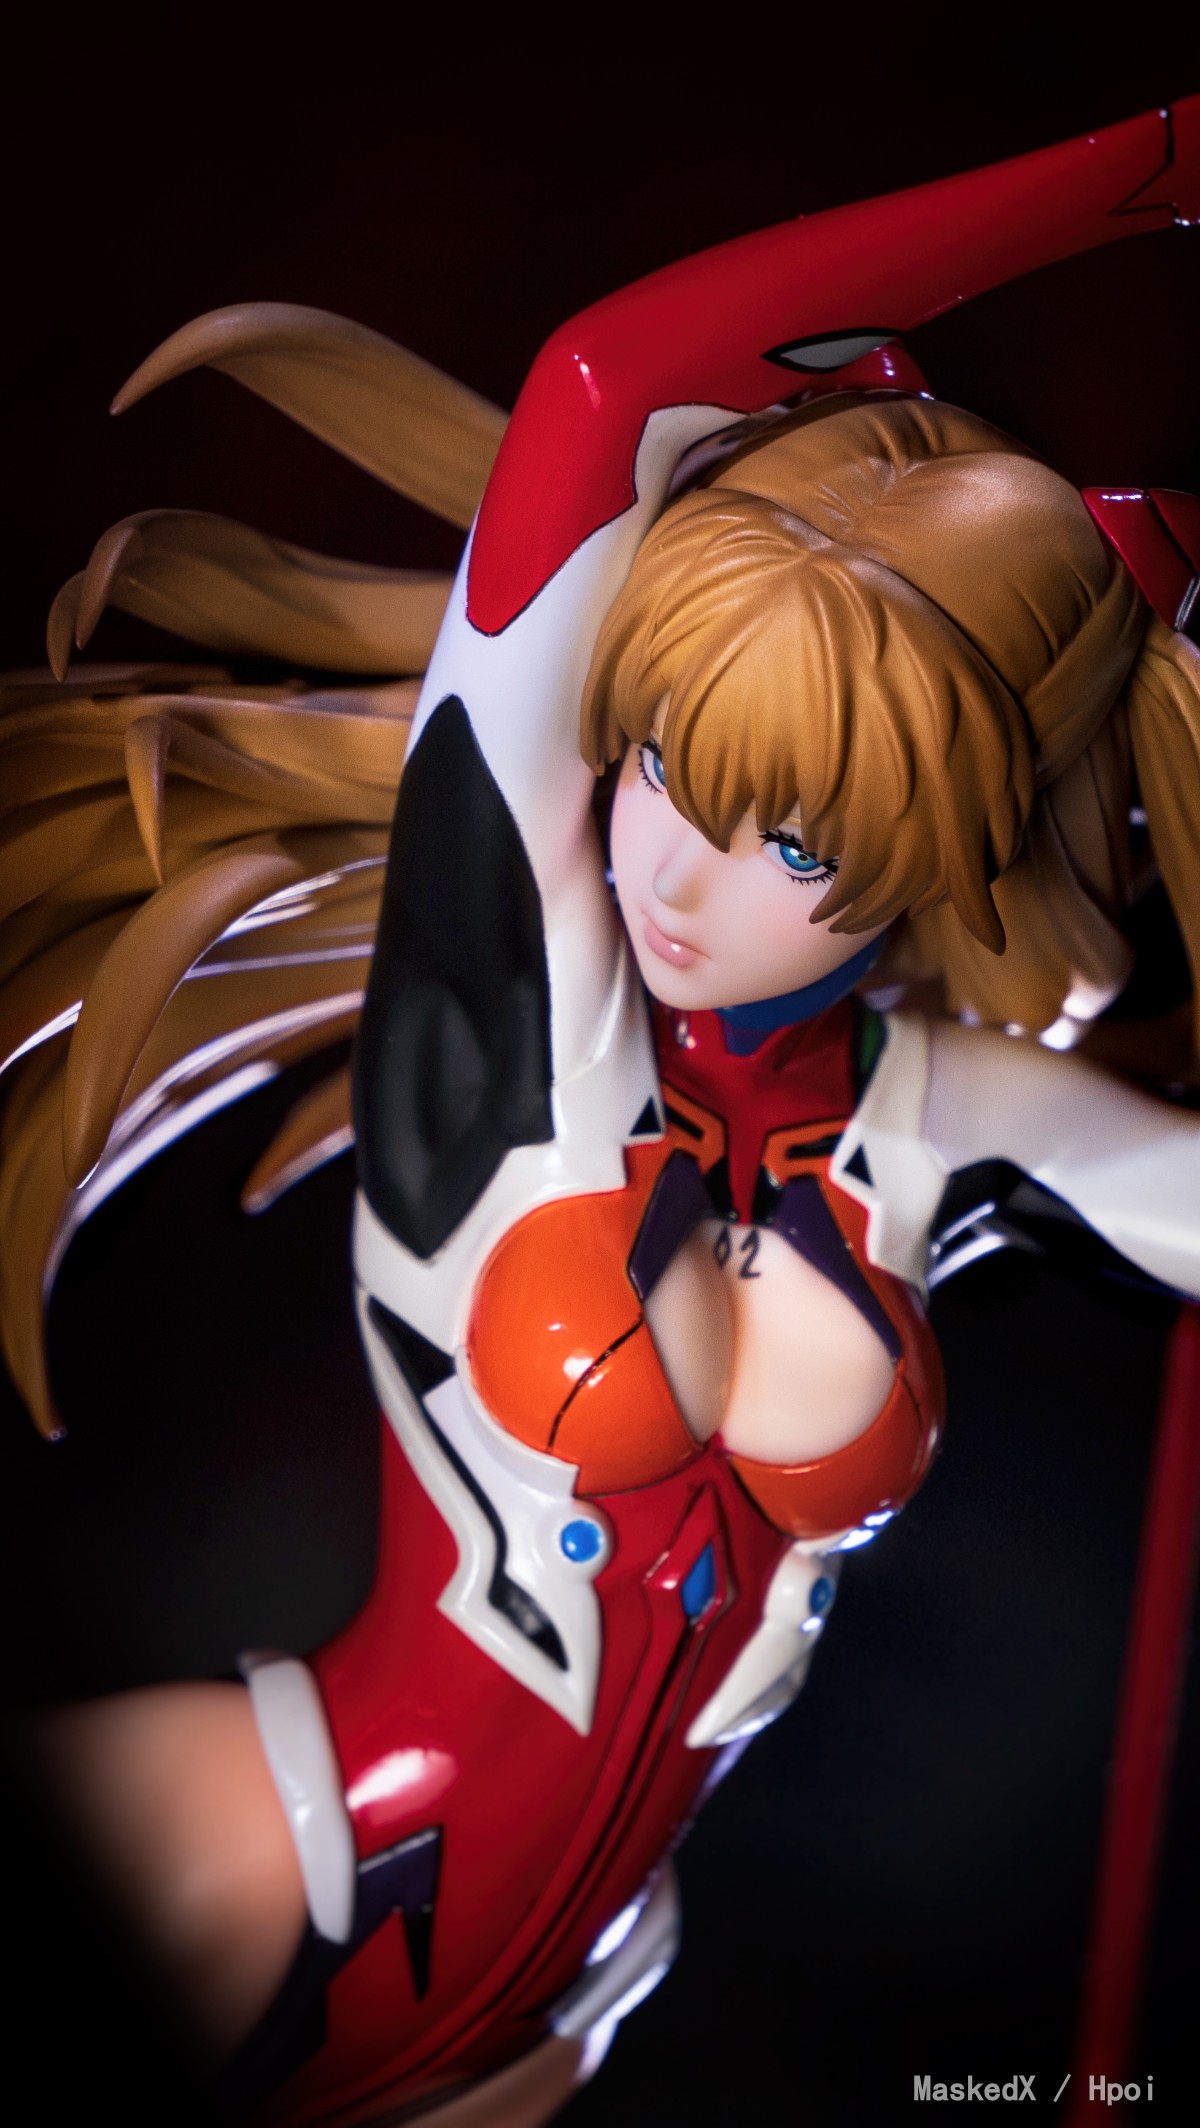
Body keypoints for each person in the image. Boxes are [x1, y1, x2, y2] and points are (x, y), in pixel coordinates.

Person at [4, 101, 1200, 2126]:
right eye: (655, 759)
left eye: (796, 838)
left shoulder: (937, 1121)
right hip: (290, 1860)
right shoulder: (525, 1010)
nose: (676, 875)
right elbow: (605, 379)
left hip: (569, 2007)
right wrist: (1145, 172)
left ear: (939, 852)